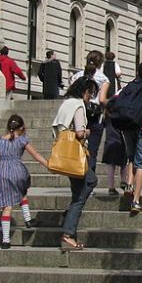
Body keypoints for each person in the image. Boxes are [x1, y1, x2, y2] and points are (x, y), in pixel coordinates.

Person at [50, 77, 99, 250]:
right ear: (85, 92)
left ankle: (69, 220)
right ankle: (68, 233)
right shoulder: (78, 106)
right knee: (89, 183)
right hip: (75, 155)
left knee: (77, 191)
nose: (90, 98)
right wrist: (88, 131)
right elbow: (79, 132)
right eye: (90, 93)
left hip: (65, 154)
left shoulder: (66, 103)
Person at [0, 114, 48, 249]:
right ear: (21, 127)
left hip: (2, 172)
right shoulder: (22, 140)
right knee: (22, 189)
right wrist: (49, 164)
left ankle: (5, 240)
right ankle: (28, 219)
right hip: (18, 171)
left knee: (7, 207)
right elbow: (35, 155)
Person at [113, 61, 142, 217]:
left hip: (127, 126)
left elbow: (114, 100)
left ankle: (129, 185)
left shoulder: (127, 87)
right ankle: (136, 200)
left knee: (131, 157)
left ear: (137, 72)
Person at [84, 50, 111, 171]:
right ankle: (89, 182)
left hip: (79, 113)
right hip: (95, 116)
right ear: (101, 63)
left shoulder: (77, 75)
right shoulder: (103, 79)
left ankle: (77, 182)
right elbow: (102, 99)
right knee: (92, 151)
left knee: (79, 149)